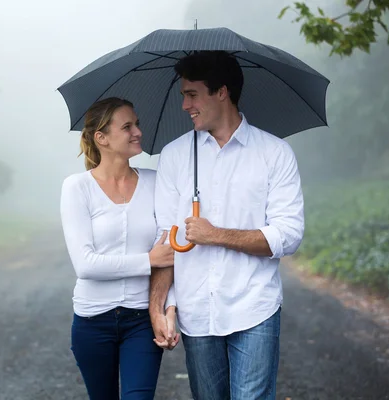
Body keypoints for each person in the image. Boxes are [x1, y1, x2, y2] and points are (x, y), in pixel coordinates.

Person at [149, 51, 305, 399]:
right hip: (196, 310)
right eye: (183, 95)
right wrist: (163, 305)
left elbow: (289, 235)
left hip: (255, 307)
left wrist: (215, 235)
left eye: (192, 94)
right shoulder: (175, 155)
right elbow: (166, 239)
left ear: (222, 92)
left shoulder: (274, 153)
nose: (185, 105)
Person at [59, 97, 177, 400]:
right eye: (127, 126)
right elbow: (85, 265)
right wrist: (147, 261)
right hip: (92, 322)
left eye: (136, 123)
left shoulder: (154, 182)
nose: (137, 131)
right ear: (102, 138)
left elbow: (169, 256)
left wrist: (167, 308)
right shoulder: (77, 187)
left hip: (140, 321)